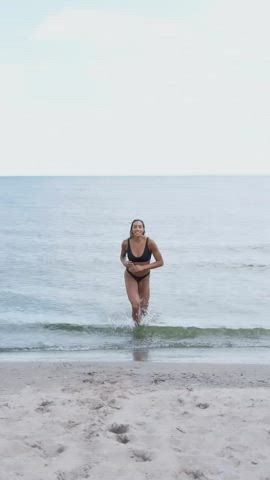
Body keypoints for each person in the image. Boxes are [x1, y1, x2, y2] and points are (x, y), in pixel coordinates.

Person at [120, 219, 164, 325]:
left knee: (144, 308)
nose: (137, 228)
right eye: (135, 226)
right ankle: (136, 328)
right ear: (131, 229)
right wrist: (124, 262)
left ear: (143, 229)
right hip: (130, 275)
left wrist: (142, 268)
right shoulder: (126, 243)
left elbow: (160, 262)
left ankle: (142, 329)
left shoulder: (150, 243)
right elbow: (122, 257)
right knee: (135, 305)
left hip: (145, 277)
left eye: (140, 226)